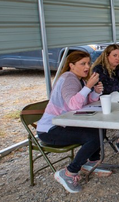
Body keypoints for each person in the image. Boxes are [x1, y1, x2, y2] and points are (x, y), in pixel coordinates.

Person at [35, 51, 109, 193]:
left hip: (65, 124)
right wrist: (88, 86)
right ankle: (69, 172)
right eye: (83, 64)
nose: (87, 67)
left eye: (88, 63)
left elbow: (84, 102)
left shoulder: (79, 79)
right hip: (51, 129)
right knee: (93, 138)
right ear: (71, 65)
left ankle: (92, 162)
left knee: (99, 128)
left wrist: (95, 91)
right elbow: (73, 105)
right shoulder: (68, 78)